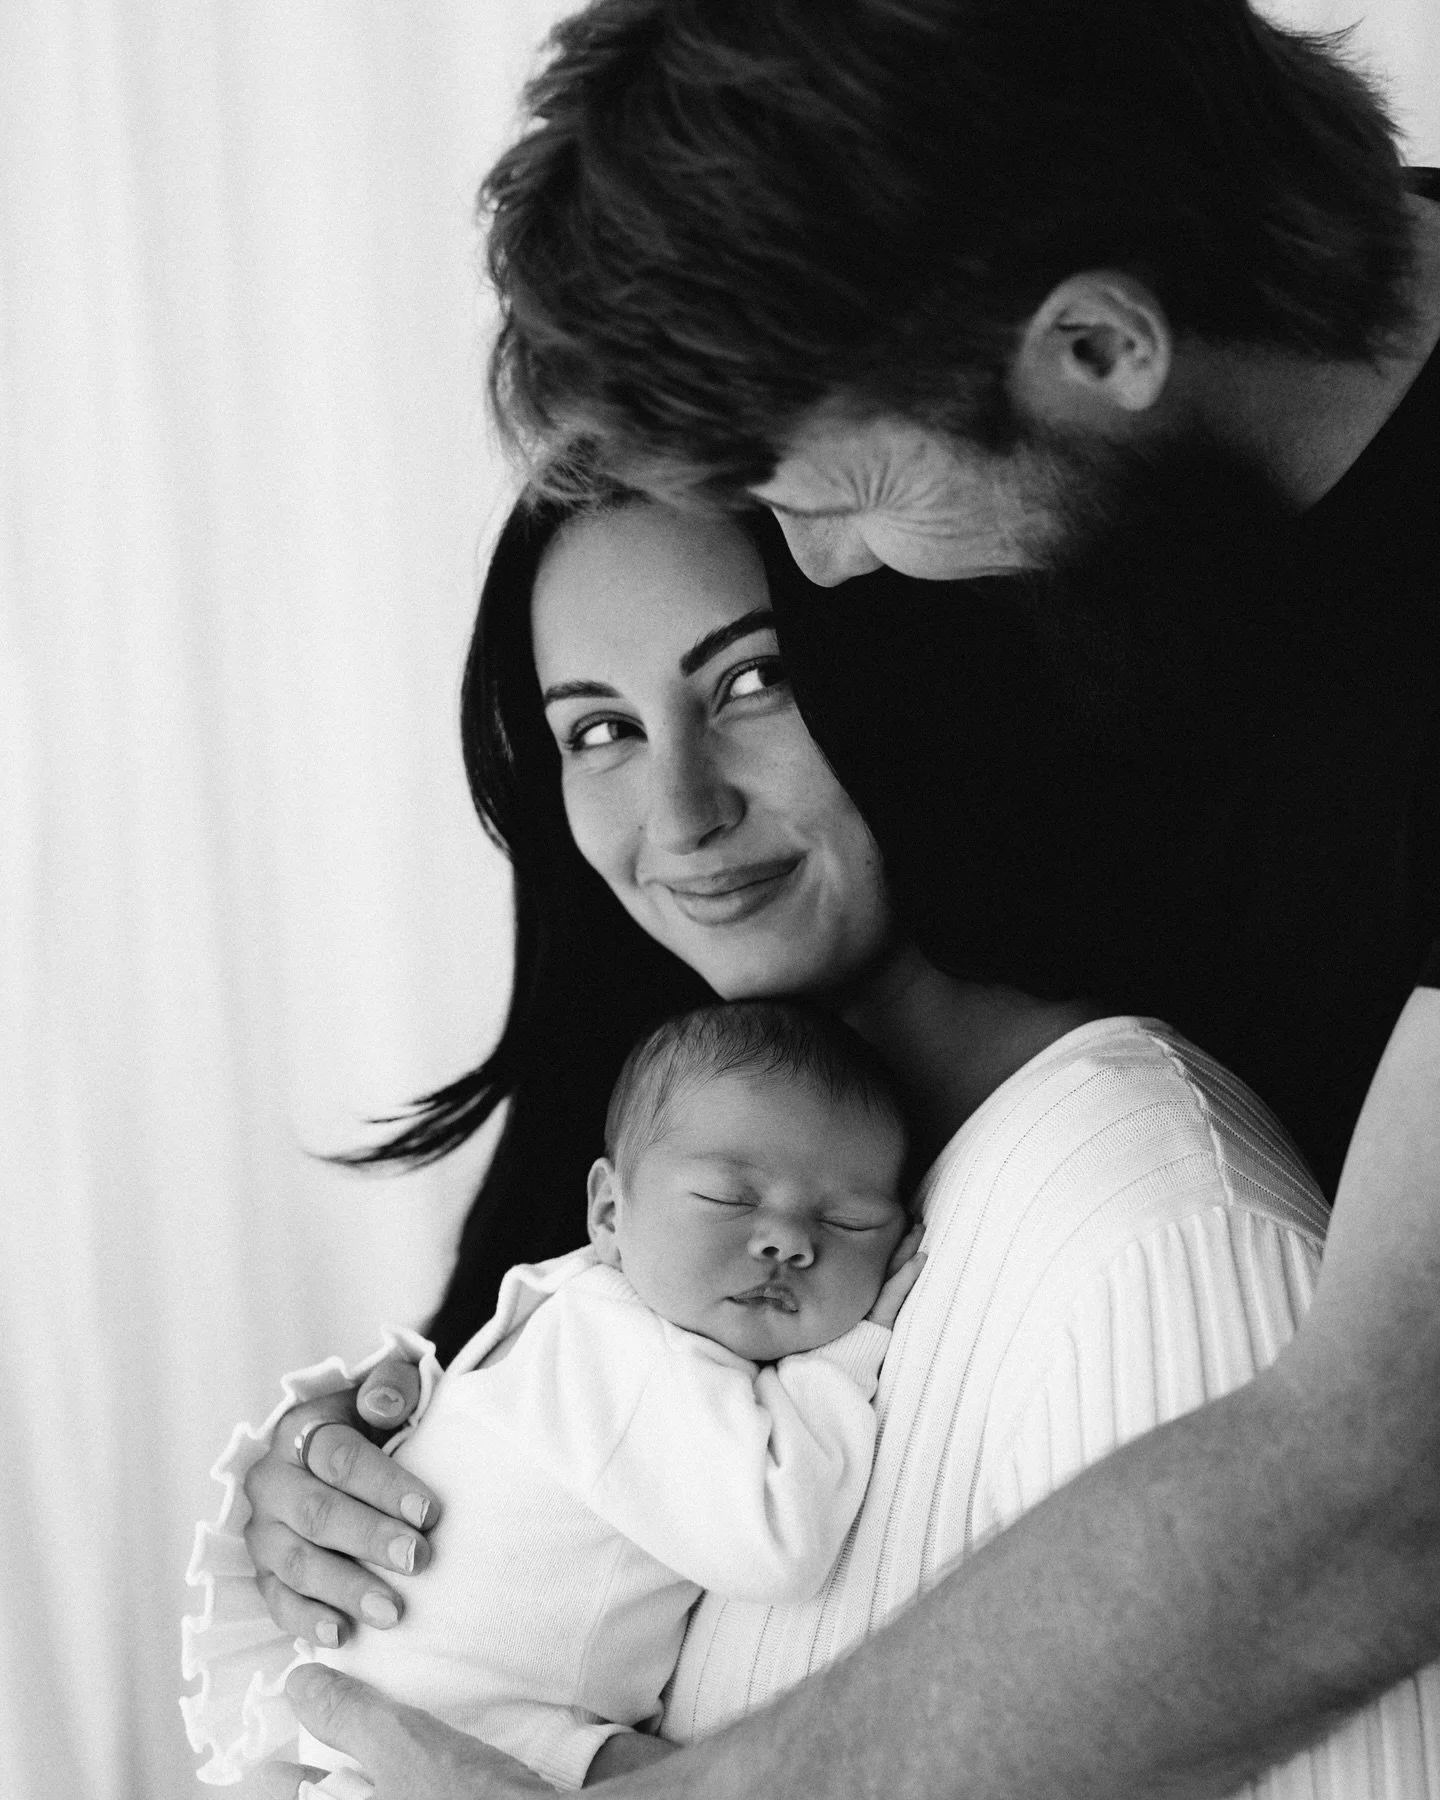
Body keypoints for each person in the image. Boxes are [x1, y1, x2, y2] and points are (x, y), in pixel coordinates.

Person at [199, 495, 1433, 1800]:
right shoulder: (677, 1239)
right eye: (600, 730)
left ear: (907, 670)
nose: (679, 811)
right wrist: (401, 1511)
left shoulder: (1153, 1217)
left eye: (751, 680)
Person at [186, 1000, 923, 1793]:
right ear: (609, 1211)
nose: (788, 1240)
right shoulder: (623, 1352)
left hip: (438, 1720)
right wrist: (846, 1361)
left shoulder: (592, 1315)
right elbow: (779, 1539)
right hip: (446, 1728)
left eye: (846, 1222)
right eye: (729, 1199)